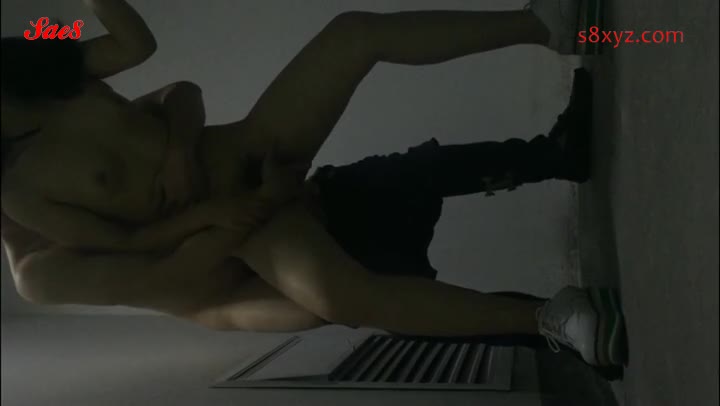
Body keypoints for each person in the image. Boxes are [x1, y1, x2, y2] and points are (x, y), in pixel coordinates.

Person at [1, 0, 626, 372]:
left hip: (249, 146)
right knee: (344, 296)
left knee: (351, 34)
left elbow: (138, 48)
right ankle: (552, 317)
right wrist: (219, 212)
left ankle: (545, 23)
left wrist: (177, 150)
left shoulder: (42, 63)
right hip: (242, 221)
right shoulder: (17, 192)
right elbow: (130, 245)